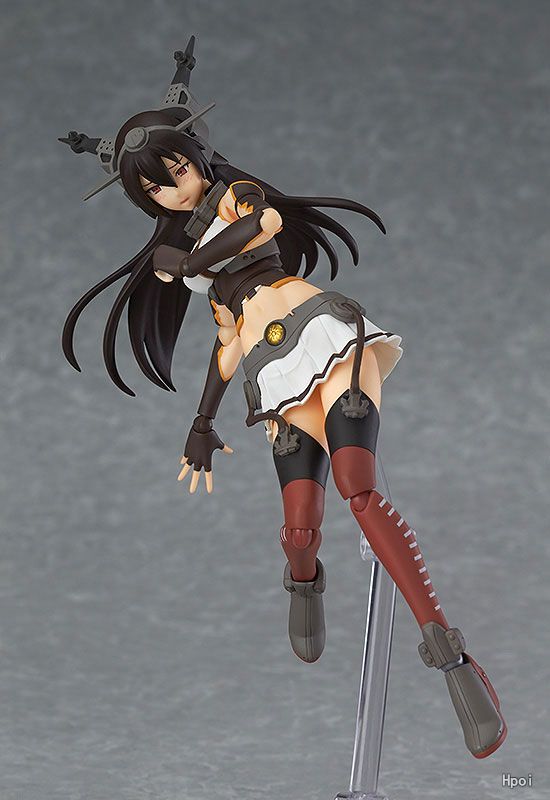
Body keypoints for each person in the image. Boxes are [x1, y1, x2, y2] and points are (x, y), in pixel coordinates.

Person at [59, 37, 506, 759]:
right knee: (300, 529)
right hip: (270, 369)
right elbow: (228, 342)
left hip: (320, 330)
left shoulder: (234, 198)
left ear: (197, 158)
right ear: (146, 200)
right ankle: (304, 584)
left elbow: (259, 225)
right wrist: (201, 422)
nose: (174, 188)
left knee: (360, 491)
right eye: (157, 189)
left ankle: (450, 656)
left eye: (177, 169)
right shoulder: (198, 275)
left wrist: (189, 260)